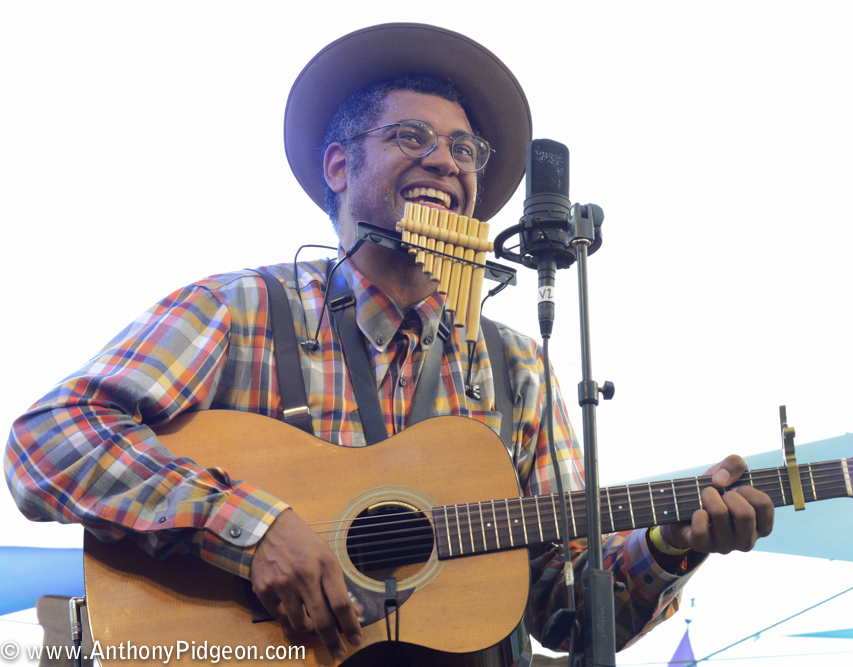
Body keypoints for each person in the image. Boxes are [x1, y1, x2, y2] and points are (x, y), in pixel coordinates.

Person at [4, 23, 773, 665]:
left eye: (467, 150)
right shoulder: (240, 310)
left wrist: (672, 543)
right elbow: (45, 440)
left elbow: (564, 606)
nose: (447, 160)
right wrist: (244, 524)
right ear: (338, 166)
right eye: (412, 137)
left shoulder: (517, 370)